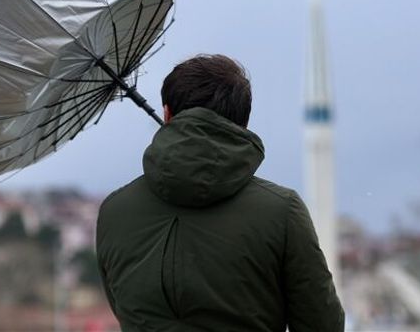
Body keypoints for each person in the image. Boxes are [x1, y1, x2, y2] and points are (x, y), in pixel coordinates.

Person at [96, 54, 345, 332]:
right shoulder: (281, 211)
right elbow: (321, 323)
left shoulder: (113, 212)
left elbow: (123, 308)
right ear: (243, 123)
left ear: (167, 114)